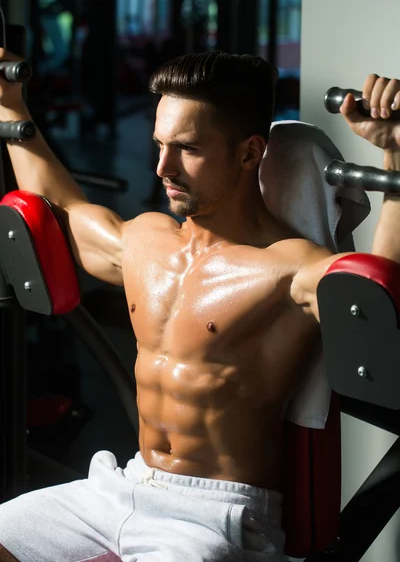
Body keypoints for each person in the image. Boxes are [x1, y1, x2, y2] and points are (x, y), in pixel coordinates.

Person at [0, 49, 399, 562]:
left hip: (216, 517)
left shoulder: (287, 270)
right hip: (121, 486)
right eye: (159, 145)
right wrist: (12, 106)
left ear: (249, 153)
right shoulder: (145, 240)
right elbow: (64, 210)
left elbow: (375, 301)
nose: (163, 167)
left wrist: (396, 162)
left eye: (187, 149)